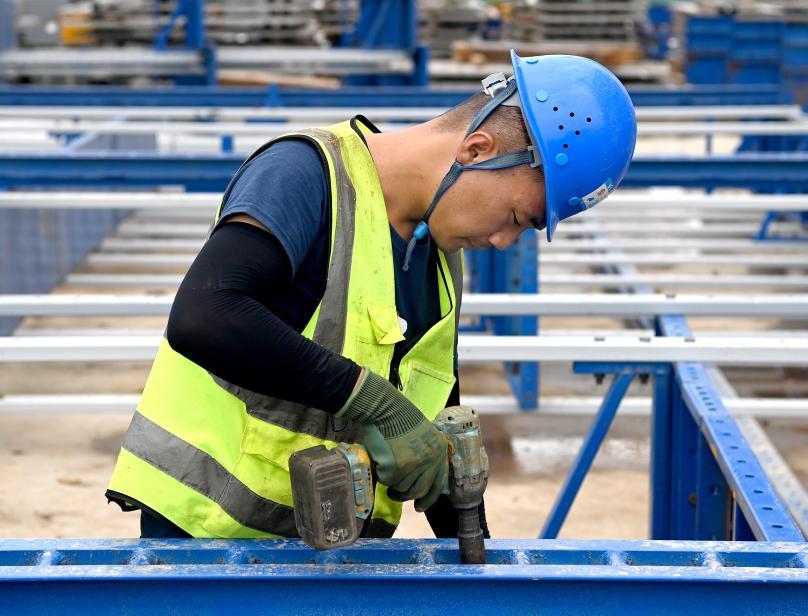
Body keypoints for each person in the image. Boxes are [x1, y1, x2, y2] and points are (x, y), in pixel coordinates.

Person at [105, 51, 637, 540]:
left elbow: (429, 417)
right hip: (208, 547)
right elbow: (206, 315)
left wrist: (473, 552)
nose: (502, 242)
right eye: (518, 218)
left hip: (335, 561)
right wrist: (378, 404)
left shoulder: (437, 255)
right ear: (477, 150)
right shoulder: (307, 174)